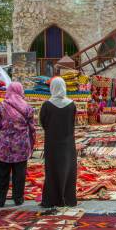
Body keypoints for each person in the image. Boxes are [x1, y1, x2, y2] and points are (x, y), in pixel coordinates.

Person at [0, 81, 36, 207]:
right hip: (21, 147)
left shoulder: (2, 106)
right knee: (19, 175)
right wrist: (31, 145)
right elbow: (32, 129)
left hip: (3, 147)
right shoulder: (27, 107)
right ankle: (18, 199)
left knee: (1, 175)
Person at [39, 77, 77, 207]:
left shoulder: (47, 105)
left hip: (52, 143)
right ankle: (68, 198)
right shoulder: (71, 104)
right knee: (68, 169)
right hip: (68, 143)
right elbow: (73, 123)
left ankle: (51, 199)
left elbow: (43, 123)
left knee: (52, 170)